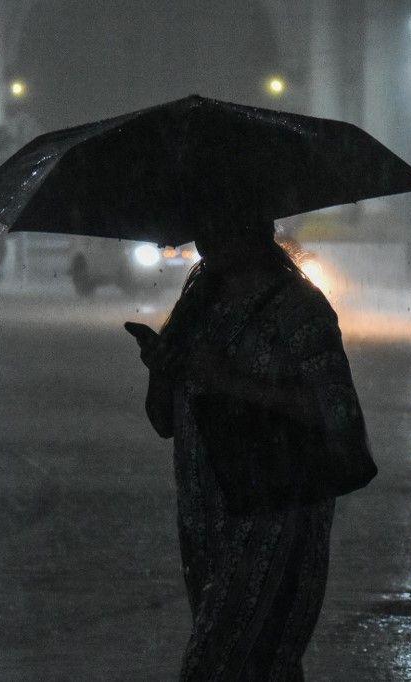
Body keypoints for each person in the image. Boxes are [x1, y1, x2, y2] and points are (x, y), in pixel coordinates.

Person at [134, 218, 376, 681]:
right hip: (205, 523)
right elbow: (163, 421)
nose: (206, 239)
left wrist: (234, 382)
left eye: (222, 219)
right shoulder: (197, 308)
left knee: (215, 667)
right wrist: (161, 369)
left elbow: (338, 415)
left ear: (255, 226)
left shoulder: (300, 311)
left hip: (276, 518)